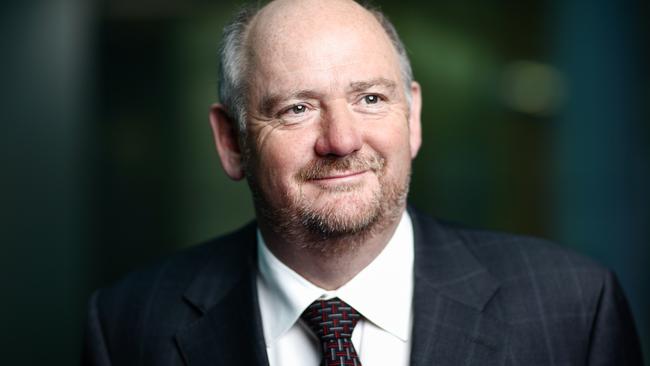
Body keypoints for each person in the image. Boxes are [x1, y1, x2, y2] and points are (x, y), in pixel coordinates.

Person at [82, 0, 643, 365]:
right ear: (232, 141)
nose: (342, 140)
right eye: (298, 108)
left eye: (370, 98)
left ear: (413, 117)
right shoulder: (129, 327)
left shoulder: (574, 308)